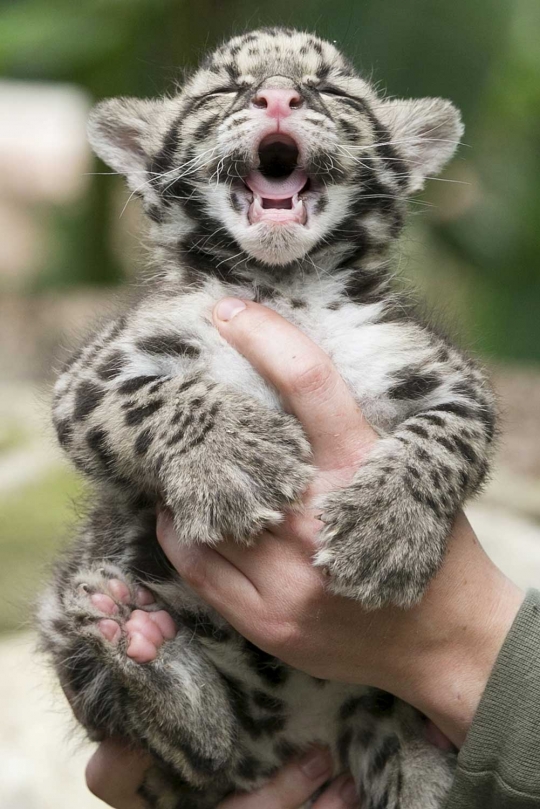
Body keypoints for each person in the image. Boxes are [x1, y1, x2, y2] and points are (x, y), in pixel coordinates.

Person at [84, 299, 540, 809]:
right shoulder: (176, 317)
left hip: (373, 726)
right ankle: (184, 713)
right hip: (225, 687)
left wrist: (457, 646)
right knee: (82, 611)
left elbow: (469, 410)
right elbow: (81, 408)